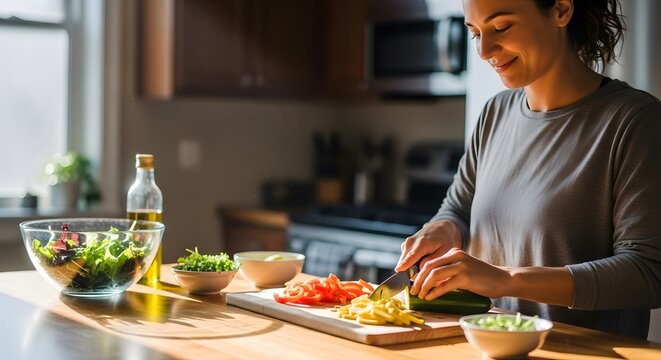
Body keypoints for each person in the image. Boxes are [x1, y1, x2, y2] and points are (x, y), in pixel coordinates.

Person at [395, 0, 661, 340]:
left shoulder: (633, 121)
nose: (483, 50)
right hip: (484, 346)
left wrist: (505, 280)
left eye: (501, 27)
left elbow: (648, 272)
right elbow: (458, 209)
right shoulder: (495, 113)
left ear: (561, 11)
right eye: (475, 32)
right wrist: (440, 230)